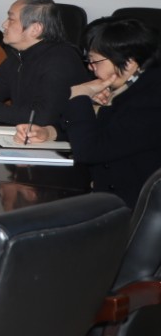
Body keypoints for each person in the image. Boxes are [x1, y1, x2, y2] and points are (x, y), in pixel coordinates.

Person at [15, 19, 160, 206]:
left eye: (95, 61)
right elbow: (96, 131)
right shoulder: (132, 87)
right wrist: (49, 132)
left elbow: (89, 151)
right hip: (106, 197)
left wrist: (80, 95)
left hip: (132, 208)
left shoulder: (150, 100)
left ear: (129, 63)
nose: (91, 67)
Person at [0, 0, 86, 125]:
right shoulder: (18, 56)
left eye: (11, 19)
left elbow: (43, 118)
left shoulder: (61, 60)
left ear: (35, 29)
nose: (4, 24)